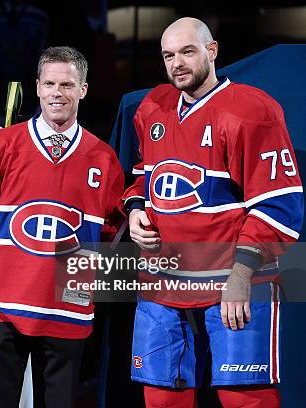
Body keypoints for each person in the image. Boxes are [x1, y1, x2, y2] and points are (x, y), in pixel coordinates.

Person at [123, 18, 303, 408]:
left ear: (212, 50)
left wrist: (241, 275)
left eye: (187, 52)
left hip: (231, 279)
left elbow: (280, 204)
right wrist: (137, 208)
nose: (177, 64)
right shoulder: (152, 107)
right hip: (163, 280)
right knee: (161, 397)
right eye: (168, 55)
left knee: (245, 399)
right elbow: (143, 178)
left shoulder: (253, 110)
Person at [0, 46, 125, 408]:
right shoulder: (1, 145)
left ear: (83, 90)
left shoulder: (104, 159)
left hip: (67, 309)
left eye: (66, 84)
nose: (56, 93)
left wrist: (91, 298)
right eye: (49, 83)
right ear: (36, 87)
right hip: (2, 305)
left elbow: (111, 239)